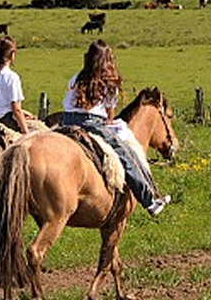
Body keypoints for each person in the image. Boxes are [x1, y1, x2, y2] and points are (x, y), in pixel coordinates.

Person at [59, 39, 171, 216]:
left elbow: (68, 103)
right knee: (125, 153)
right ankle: (149, 200)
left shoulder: (76, 78)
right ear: (108, 60)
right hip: (91, 123)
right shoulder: (109, 82)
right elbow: (110, 117)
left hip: (65, 121)